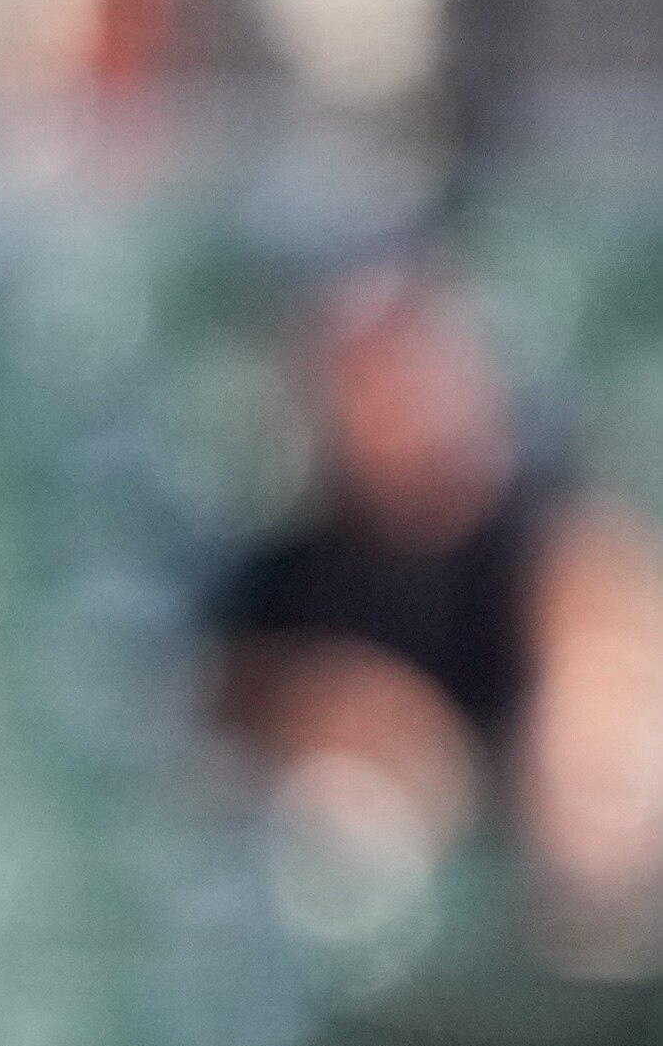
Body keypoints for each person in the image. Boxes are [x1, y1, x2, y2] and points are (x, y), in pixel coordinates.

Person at [212, 262, 663, 966]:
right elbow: (224, 707)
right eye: (362, 377)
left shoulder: (546, 540)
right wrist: (310, 707)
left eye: (411, 370)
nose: (394, 400)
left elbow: (599, 642)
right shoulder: (284, 579)